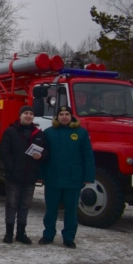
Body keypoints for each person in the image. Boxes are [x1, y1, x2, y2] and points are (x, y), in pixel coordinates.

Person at [39, 106, 95, 249]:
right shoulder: (49, 133)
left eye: (67, 114)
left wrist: (88, 176)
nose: (64, 117)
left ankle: (69, 238)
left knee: (71, 211)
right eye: (61, 114)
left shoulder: (81, 133)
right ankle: (48, 235)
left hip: (73, 179)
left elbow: (88, 156)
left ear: (72, 116)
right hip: (53, 177)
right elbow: (43, 156)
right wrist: (40, 175)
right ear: (57, 117)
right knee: (51, 209)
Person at [0, 105, 48, 244]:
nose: (28, 115)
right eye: (25, 113)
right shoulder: (11, 131)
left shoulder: (38, 134)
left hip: (30, 177)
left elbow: (46, 152)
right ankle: (9, 233)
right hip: (14, 176)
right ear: (20, 116)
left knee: (25, 205)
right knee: (11, 204)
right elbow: (4, 151)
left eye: (31, 113)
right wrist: (11, 168)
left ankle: (21, 233)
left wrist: (41, 156)